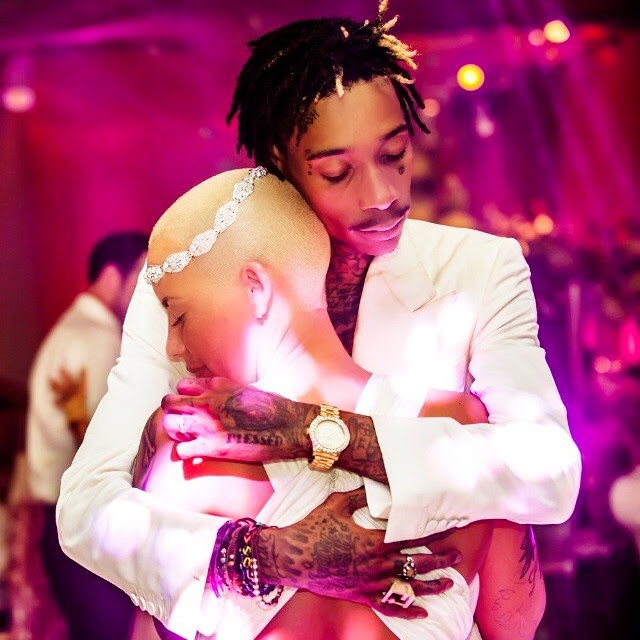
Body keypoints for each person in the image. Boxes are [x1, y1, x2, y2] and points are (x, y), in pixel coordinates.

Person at [57, 4, 581, 640]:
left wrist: (308, 430)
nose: (382, 195)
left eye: (395, 154)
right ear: (281, 161)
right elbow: (88, 507)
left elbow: (549, 471)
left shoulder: (476, 269)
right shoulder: (194, 278)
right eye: (337, 171)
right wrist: (269, 556)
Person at [133, 167, 548, 640]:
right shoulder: (456, 424)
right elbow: (514, 620)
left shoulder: (188, 443)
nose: (173, 348)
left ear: (256, 289)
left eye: (178, 315)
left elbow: (165, 618)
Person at [25, 231, 148, 640]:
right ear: (114, 276)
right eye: (142, 274)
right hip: (84, 519)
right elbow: (99, 444)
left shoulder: (71, 328)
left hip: (60, 518)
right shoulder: (99, 337)